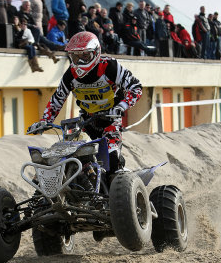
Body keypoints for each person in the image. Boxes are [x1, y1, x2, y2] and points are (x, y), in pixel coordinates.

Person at [27, 31, 142, 176]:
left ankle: (117, 184)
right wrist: (44, 121)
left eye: (85, 56)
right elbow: (58, 98)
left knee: (112, 160)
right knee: (69, 157)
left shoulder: (109, 66)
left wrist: (122, 106)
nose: (80, 62)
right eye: (75, 56)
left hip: (110, 120)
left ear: (95, 52)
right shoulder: (70, 74)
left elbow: (136, 87)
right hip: (85, 122)